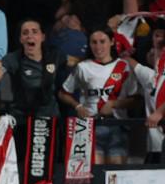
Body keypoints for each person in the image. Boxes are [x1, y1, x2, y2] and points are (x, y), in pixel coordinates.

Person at [58, 27, 138, 164]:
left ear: (112, 42)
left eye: (102, 41)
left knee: (116, 174)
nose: (98, 46)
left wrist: (114, 104)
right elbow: (63, 93)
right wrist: (78, 106)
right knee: (95, 173)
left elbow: (136, 100)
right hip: (90, 126)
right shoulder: (83, 67)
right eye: (94, 42)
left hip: (118, 125)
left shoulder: (124, 66)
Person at [0, 19, 68, 122]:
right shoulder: (12, 59)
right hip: (20, 118)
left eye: (34, 32)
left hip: (49, 117)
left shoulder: (55, 56)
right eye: (25, 33)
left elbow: (74, 62)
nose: (30, 36)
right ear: (21, 39)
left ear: (42, 37)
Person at [127, 20, 165, 164]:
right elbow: (129, 61)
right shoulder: (150, 76)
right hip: (154, 147)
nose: (155, 55)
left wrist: (159, 113)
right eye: (153, 51)